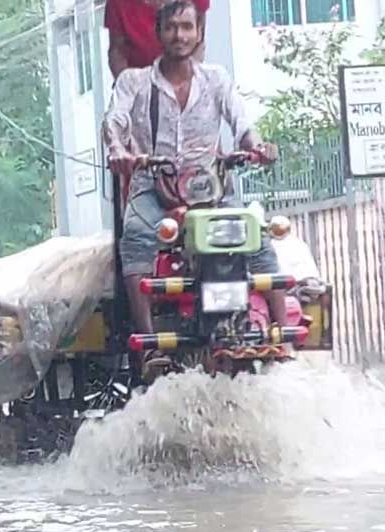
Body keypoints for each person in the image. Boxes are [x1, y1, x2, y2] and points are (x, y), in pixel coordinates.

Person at [102, 0, 287, 370]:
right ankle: (150, 345)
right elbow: (114, 123)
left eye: (187, 27)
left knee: (258, 237)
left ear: (199, 32)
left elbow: (241, 123)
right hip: (153, 188)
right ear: (158, 34)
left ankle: (281, 334)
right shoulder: (134, 83)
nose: (180, 35)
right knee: (136, 236)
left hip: (212, 189)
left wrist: (257, 147)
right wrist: (119, 151)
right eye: (171, 28)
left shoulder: (216, 78)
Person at [106, 0, 209, 77]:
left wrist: (188, 82)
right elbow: (117, 51)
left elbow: (198, 43)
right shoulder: (118, 3)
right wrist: (128, 86)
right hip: (136, 88)